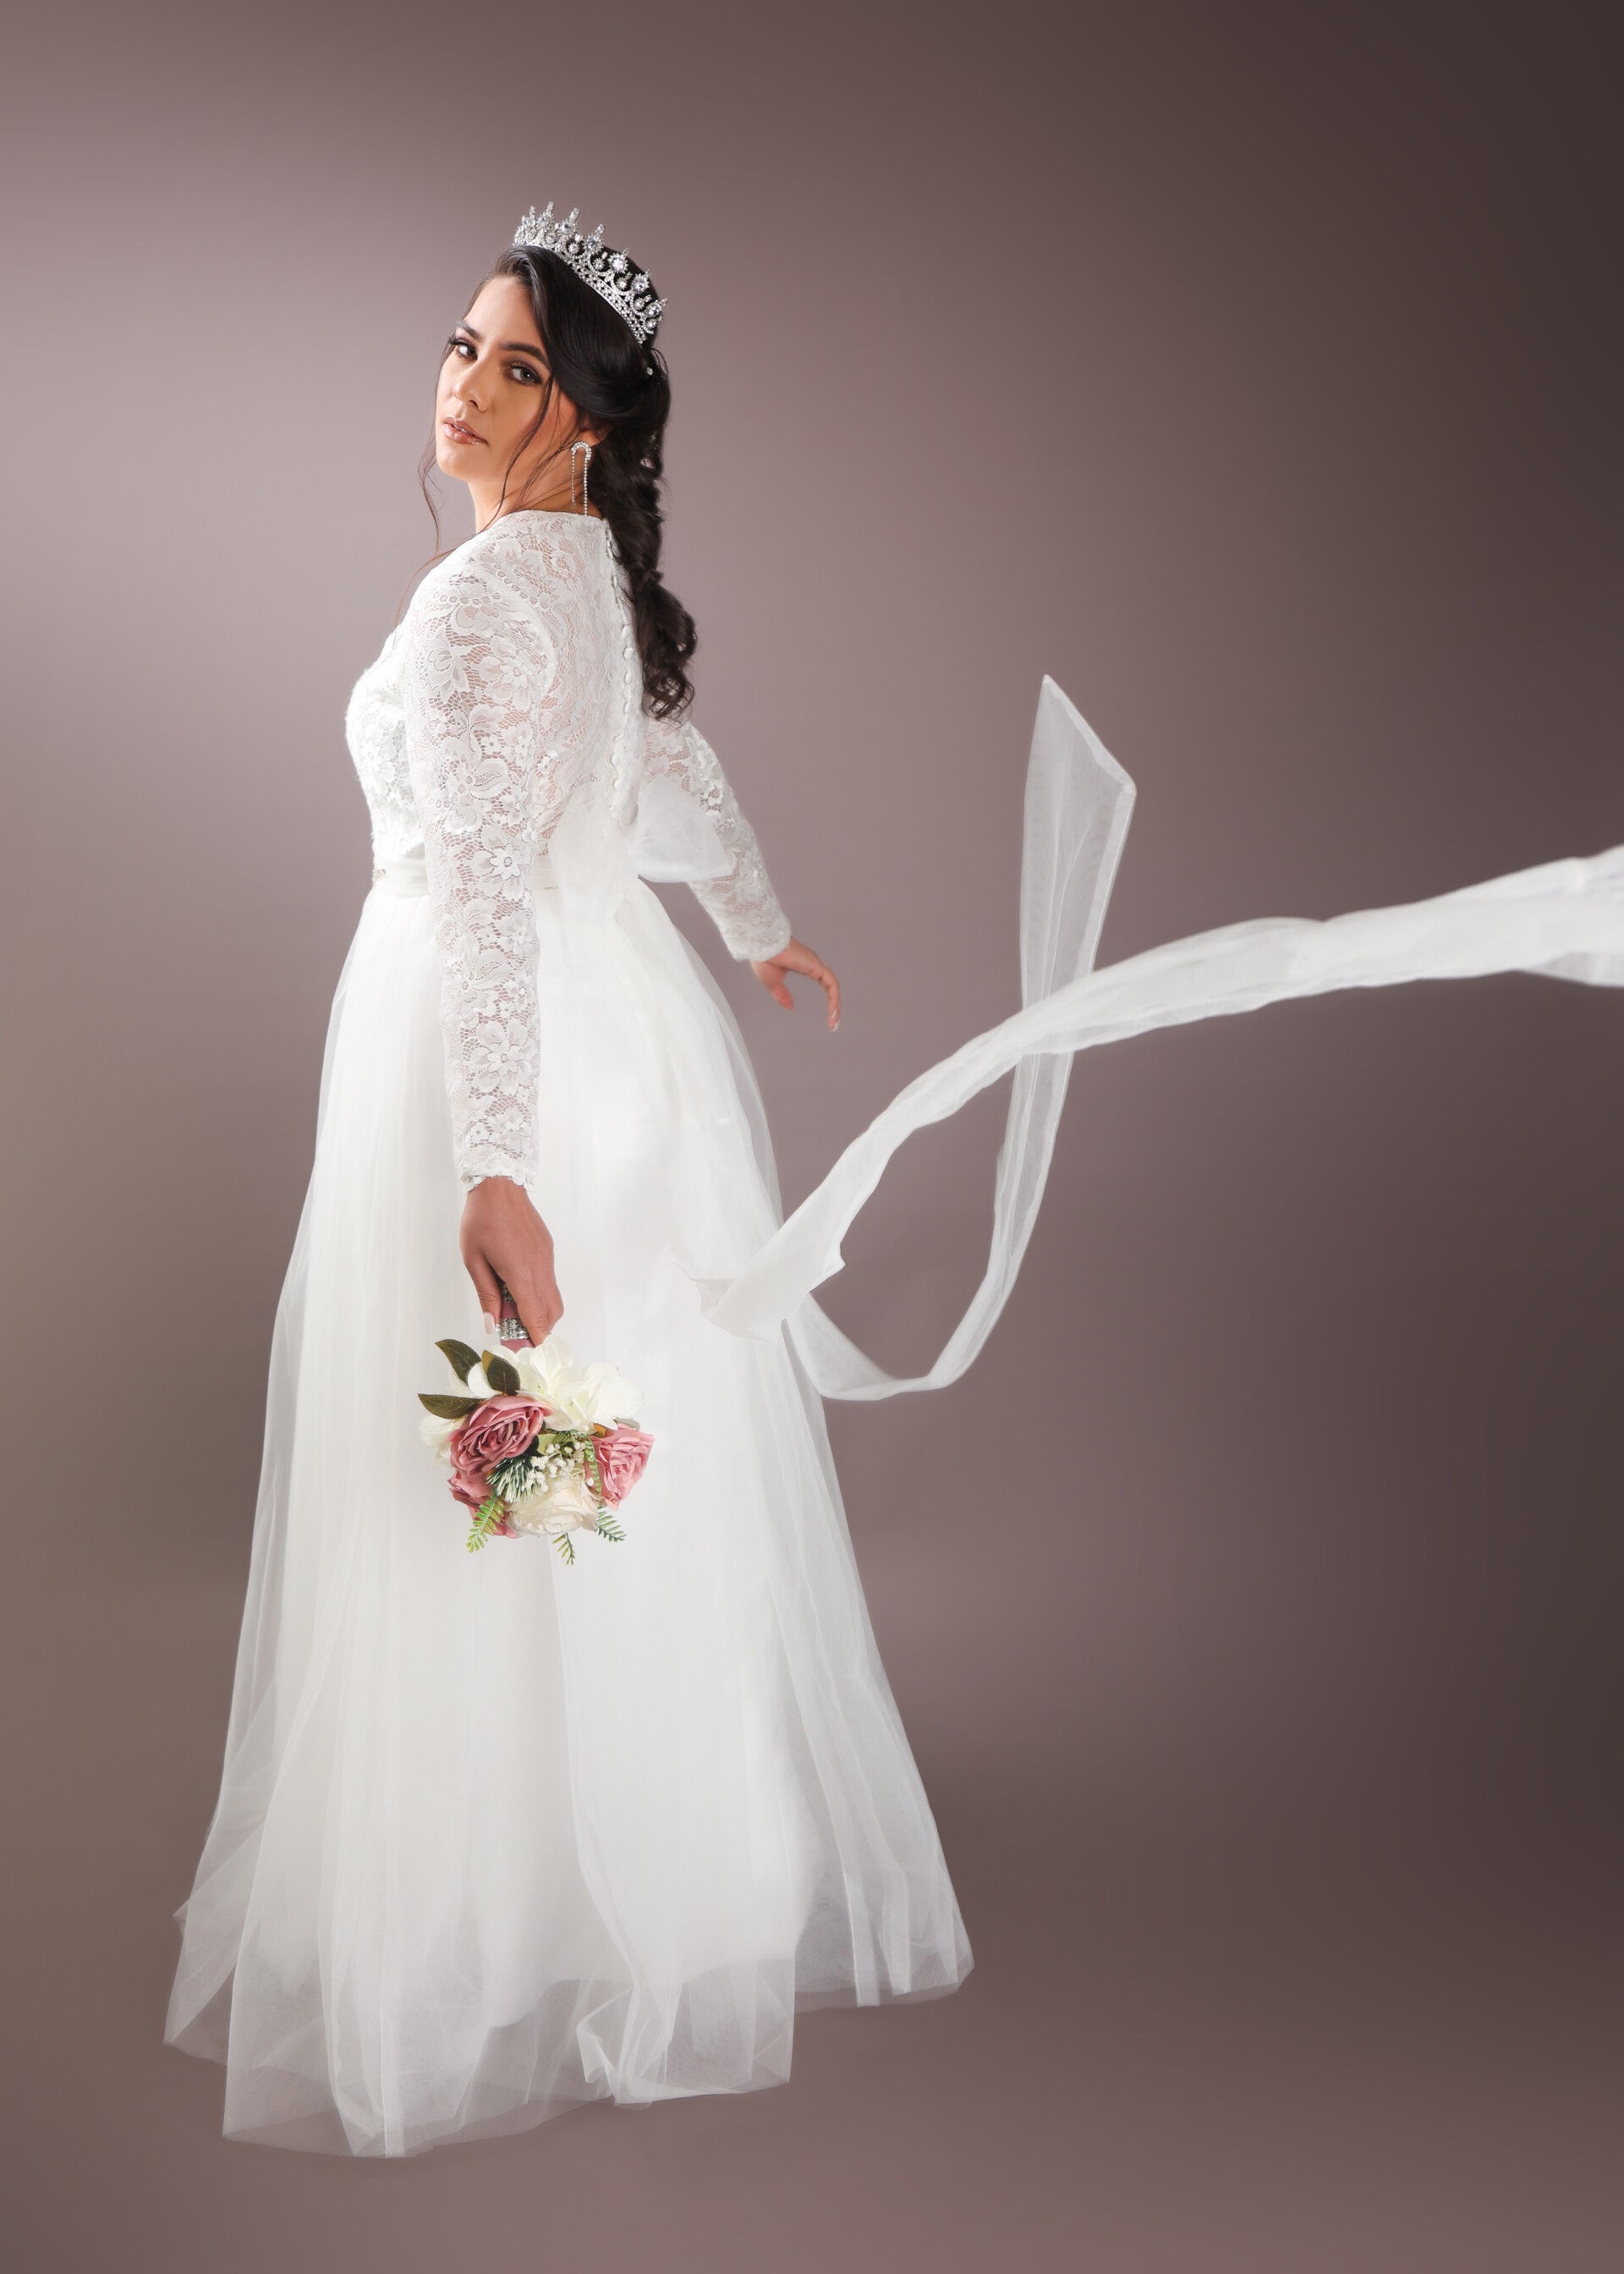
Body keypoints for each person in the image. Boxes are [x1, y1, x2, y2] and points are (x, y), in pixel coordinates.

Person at [164, 206, 973, 2157]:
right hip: (626, 1042)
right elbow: (672, 772)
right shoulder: (590, 582)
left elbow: (483, 900)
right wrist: (756, 927)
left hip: (495, 1056)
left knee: (494, 1464)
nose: (462, 383)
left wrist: (493, 1165)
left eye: (515, 366)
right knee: (589, 1461)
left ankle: (485, 1909)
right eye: (462, 344)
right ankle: (648, 1877)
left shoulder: (477, 607)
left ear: (587, 422)